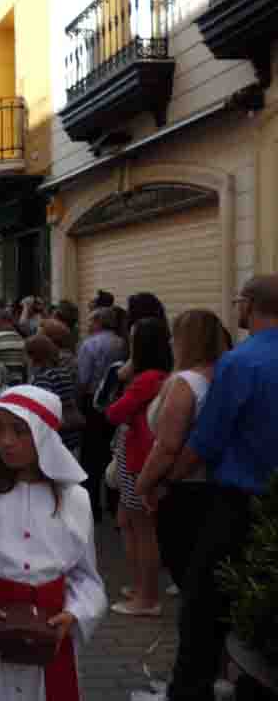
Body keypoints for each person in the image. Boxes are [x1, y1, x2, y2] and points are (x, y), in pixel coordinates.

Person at [0, 385, 107, 701]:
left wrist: (74, 614)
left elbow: (87, 579)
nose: (5, 441)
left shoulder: (76, 500)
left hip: (49, 639)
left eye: (19, 431)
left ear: (44, 435)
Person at [160, 276, 278, 701]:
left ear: (249, 305)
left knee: (204, 605)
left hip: (240, 501)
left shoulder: (240, 362)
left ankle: (192, 690)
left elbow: (207, 440)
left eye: (238, 302)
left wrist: (169, 479)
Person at [135, 310, 230, 589]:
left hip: (182, 488)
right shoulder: (223, 376)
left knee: (185, 569)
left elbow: (167, 445)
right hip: (216, 483)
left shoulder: (185, 382)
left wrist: (145, 484)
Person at [106, 317, 171, 617]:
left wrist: (122, 379)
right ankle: (140, 586)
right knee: (129, 522)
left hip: (138, 458)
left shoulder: (147, 379)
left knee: (143, 529)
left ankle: (147, 597)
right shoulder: (160, 376)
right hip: (135, 456)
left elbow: (114, 412)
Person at [77, 307, 127, 522]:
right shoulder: (122, 343)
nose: (88, 325)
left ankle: (92, 504)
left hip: (94, 402)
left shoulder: (89, 344)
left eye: (91, 321)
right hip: (117, 400)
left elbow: (83, 378)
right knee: (112, 451)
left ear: (98, 322)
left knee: (91, 456)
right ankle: (115, 504)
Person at [27, 334, 84, 460]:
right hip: (72, 436)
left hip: (56, 440)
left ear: (33, 356)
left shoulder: (43, 377)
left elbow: (45, 410)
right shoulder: (63, 372)